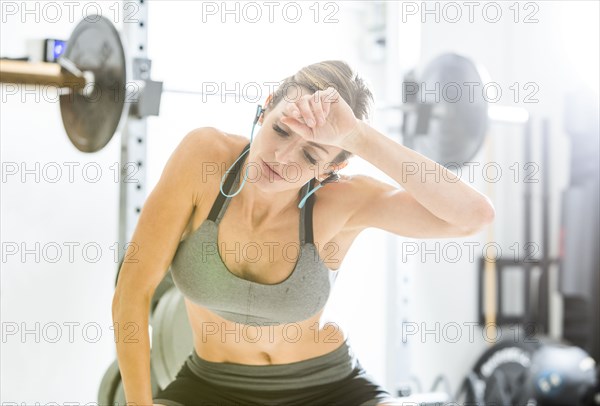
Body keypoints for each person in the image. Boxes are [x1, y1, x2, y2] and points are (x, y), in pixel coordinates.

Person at [112, 60, 495, 406]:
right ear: (265, 109)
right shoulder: (203, 158)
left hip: (328, 389)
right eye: (281, 130)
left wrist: (358, 137)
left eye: (311, 156)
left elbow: (472, 217)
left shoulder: (343, 202)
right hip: (210, 386)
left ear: (329, 169)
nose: (282, 157)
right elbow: (132, 292)